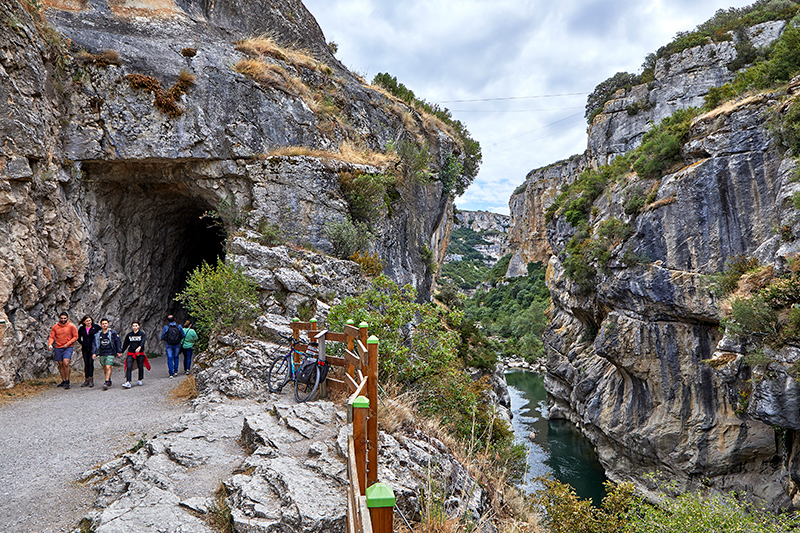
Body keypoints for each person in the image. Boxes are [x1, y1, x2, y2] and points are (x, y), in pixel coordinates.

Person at [47, 312, 78, 390]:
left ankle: (67, 380)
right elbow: (51, 336)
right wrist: (50, 344)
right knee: (60, 364)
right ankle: (63, 380)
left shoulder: (71, 326)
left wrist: (68, 343)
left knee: (66, 362)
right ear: (59, 318)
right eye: (62, 318)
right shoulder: (55, 327)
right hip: (58, 347)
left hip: (68, 347)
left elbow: (75, 336)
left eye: (65, 318)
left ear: (67, 318)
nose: (63, 320)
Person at [91, 318, 122, 390]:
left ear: (108, 324)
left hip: (110, 352)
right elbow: (94, 344)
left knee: (108, 367)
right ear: (101, 325)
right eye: (103, 324)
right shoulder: (98, 334)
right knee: (104, 367)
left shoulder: (112, 333)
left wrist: (119, 351)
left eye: (105, 323)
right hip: (102, 352)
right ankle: (109, 379)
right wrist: (94, 353)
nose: (104, 325)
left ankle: (106, 381)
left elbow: (118, 342)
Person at [121, 321, 149, 388]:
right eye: (133, 326)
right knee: (129, 366)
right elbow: (126, 344)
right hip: (131, 352)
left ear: (138, 326)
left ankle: (140, 379)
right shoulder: (129, 335)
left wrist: (139, 347)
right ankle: (128, 381)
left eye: (136, 326)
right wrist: (121, 351)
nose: (135, 327)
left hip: (139, 353)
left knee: (140, 365)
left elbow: (143, 342)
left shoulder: (142, 334)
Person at [77, 315, 101, 388]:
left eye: (89, 320)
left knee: (91, 363)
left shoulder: (95, 327)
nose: (88, 322)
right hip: (85, 348)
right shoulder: (81, 329)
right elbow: (78, 337)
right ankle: (86, 379)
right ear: (84, 322)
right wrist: (82, 343)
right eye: (87, 321)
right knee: (86, 363)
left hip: (92, 348)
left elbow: (102, 332)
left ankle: (91, 378)